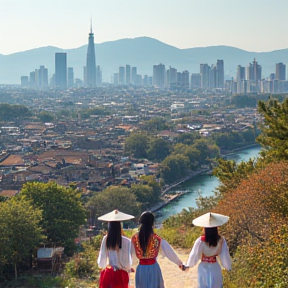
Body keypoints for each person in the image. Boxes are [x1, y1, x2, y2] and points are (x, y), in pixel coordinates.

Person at [131, 211, 184, 288]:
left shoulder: (135, 238)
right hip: (153, 268)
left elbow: (131, 254)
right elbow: (169, 251)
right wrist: (179, 263)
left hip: (141, 269)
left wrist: (129, 266)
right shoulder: (157, 239)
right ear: (152, 223)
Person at [185, 212, 232, 288]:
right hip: (215, 267)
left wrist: (188, 265)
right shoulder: (221, 240)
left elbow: (194, 254)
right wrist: (228, 267)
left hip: (203, 268)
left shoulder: (200, 241)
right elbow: (224, 256)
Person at [97, 209, 135, 288]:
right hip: (122, 275)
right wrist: (128, 269)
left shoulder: (106, 239)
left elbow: (102, 262)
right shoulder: (127, 241)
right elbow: (128, 263)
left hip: (109, 274)